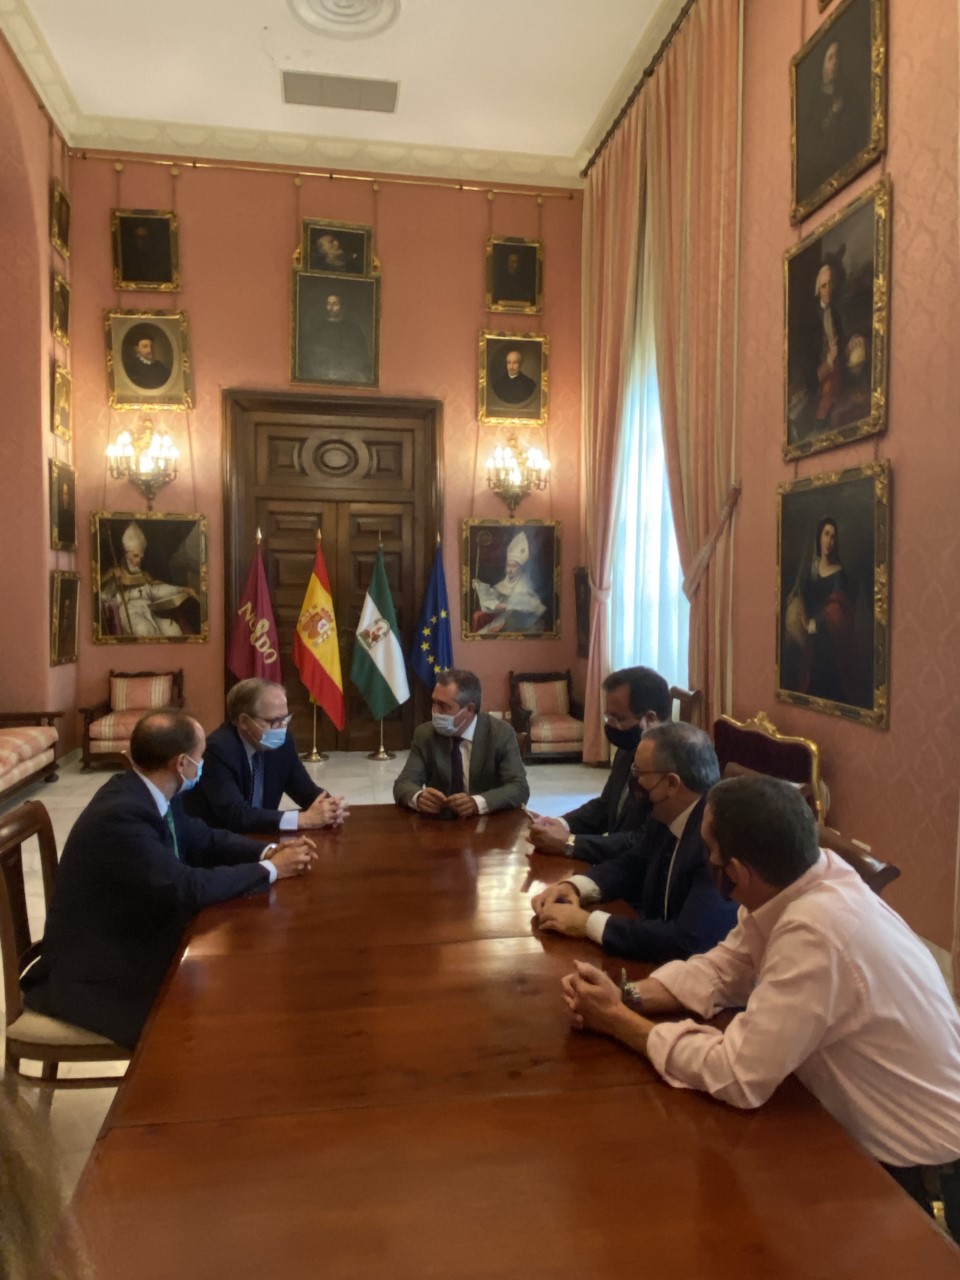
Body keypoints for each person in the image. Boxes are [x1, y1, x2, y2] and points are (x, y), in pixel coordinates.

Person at [560, 775, 960, 1238]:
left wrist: (617, 1021)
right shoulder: (803, 879)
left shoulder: (816, 931)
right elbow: (725, 967)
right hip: (844, 1123)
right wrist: (627, 995)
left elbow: (736, 1075)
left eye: (708, 851)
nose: (703, 858)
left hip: (912, 1173)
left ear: (735, 872)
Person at [21, 710, 318, 1049]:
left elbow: (203, 837)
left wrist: (268, 851)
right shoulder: (121, 815)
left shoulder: (150, 789)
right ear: (181, 764)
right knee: (211, 1023)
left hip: (133, 936)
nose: (202, 765)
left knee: (238, 975)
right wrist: (272, 870)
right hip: (95, 973)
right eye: (200, 757)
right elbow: (185, 888)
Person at [532, 723, 737, 962]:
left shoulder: (717, 840)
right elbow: (630, 865)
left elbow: (686, 940)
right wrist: (574, 887)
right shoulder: (666, 812)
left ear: (671, 784)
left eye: (639, 773)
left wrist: (587, 923)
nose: (633, 782)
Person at [527, 666, 671, 863]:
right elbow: (605, 806)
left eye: (618, 718)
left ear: (650, 719)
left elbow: (644, 842)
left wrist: (569, 843)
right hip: (614, 867)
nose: (611, 725)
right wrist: (560, 824)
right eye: (608, 716)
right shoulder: (629, 748)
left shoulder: (675, 766)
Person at [183, 677, 348, 833]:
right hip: (220, 840)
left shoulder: (284, 742)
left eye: (285, 719)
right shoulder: (218, 750)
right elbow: (236, 815)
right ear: (244, 721)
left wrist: (329, 807)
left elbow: (305, 790)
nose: (282, 728)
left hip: (264, 835)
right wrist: (302, 819)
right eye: (273, 721)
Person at [393, 667, 529, 818]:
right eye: (434, 703)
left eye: (443, 706)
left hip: (486, 822)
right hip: (438, 823)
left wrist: (476, 803)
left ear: (469, 709)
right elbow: (403, 784)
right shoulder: (425, 735)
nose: (435, 711)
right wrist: (418, 797)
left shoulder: (501, 734)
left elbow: (519, 788)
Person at [783, 515, 857, 704]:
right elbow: (807, 595)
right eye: (826, 534)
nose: (829, 541)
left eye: (833, 537)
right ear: (819, 536)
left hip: (827, 640)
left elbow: (839, 609)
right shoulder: (813, 568)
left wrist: (815, 622)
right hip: (808, 638)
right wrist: (796, 598)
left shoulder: (839, 574)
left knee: (823, 687)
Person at [99, 520, 199, 638]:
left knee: (173, 629)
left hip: (149, 614)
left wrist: (181, 589)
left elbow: (157, 590)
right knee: (143, 629)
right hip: (129, 617)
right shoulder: (117, 575)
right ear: (125, 555)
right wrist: (114, 581)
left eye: (140, 557)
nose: (138, 561)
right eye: (135, 556)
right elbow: (104, 597)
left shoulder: (143, 576)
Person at [473, 531, 547, 635]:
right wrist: (480, 587)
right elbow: (493, 597)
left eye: (514, 566)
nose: (510, 570)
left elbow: (520, 608)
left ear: (520, 568)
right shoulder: (505, 581)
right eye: (508, 565)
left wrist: (503, 610)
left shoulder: (524, 584)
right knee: (481, 634)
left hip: (521, 623)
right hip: (504, 619)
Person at [306, 291, 370, 384]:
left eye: (335, 304)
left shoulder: (353, 329)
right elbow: (311, 354)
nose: (331, 308)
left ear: (343, 307)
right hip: (321, 374)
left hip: (348, 375)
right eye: (329, 304)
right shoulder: (318, 328)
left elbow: (361, 356)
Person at [121, 325, 171, 390]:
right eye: (145, 346)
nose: (150, 350)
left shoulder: (160, 366)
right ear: (137, 349)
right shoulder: (131, 367)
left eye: (151, 346)